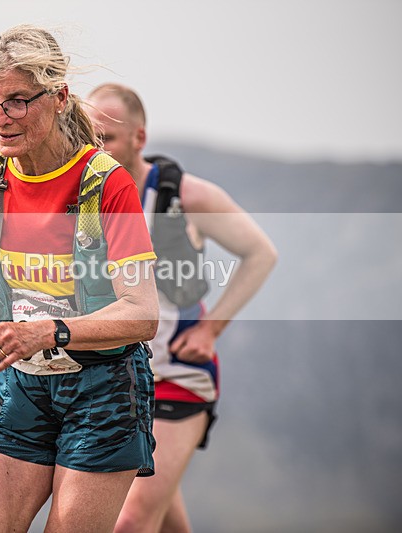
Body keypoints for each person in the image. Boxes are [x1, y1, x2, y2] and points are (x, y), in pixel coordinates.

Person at [0, 26, 160, 532]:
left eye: (17, 101)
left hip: (102, 394)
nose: (0, 118)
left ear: (58, 98)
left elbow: (142, 313)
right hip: (19, 384)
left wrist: (49, 331)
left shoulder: (107, 184)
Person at [85, 83, 278, 533]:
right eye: (88, 138)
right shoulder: (83, 198)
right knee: (163, 517)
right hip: (113, 379)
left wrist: (211, 330)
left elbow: (261, 254)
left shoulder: (186, 197)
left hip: (177, 375)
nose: (97, 150)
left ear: (139, 138)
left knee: (130, 521)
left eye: (108, 138)